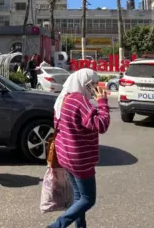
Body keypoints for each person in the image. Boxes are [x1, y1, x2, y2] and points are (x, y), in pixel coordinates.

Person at [48, 68, 110, 228]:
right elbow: (101, 125)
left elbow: (80, 121)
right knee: (88, 199)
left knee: (78, 195)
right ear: (83, 83)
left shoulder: (65, 98)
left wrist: (95, 107)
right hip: (79, 159)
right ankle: (57, 226)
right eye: (92, 84)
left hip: (66, 156)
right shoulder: (79, 101)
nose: (95, 87)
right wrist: (103, 103)